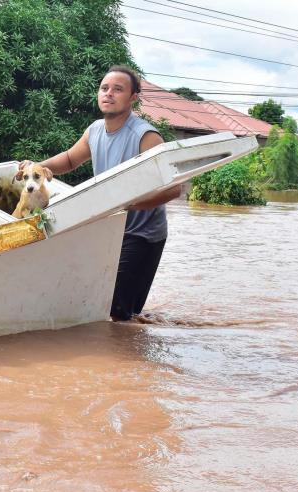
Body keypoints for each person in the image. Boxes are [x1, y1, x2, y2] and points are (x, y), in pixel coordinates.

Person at [19, 65, 180, 321]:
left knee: (118, 313)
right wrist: (37, 167)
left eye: (118, 89)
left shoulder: (145, 136)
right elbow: (71, 160)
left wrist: (128, 204)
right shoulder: (94, 130)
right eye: (104, 88)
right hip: (109, 228)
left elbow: (174, 188)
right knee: (110, 309)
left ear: (132, 98)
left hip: (141, 234)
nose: (109, 94)